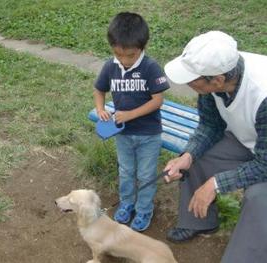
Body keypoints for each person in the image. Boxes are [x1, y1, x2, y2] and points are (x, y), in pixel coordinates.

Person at [163, 30, 267, 262]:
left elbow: (265, 165)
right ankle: (199, 222)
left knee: (259, 197)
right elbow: (210, 125)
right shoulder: (218, 73)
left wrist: (216, 183)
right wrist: (188, 156)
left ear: (218, 80)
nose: (189, 84)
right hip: (250, 139)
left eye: (192, 81)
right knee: (199, 157)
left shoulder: (263, 92)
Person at [93, 12, 169, 232]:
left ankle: (144, 208)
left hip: (148, 134)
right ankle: (127, 203)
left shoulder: (150, 67)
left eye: (130, 55)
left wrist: (130, 114)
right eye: (118, 54)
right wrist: (101, 109)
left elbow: (158, 101)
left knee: (145, 174)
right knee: (125, 171)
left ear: (142, 47)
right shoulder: (111, 66)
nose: (124, 61)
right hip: (123, 134)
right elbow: (99, 90)